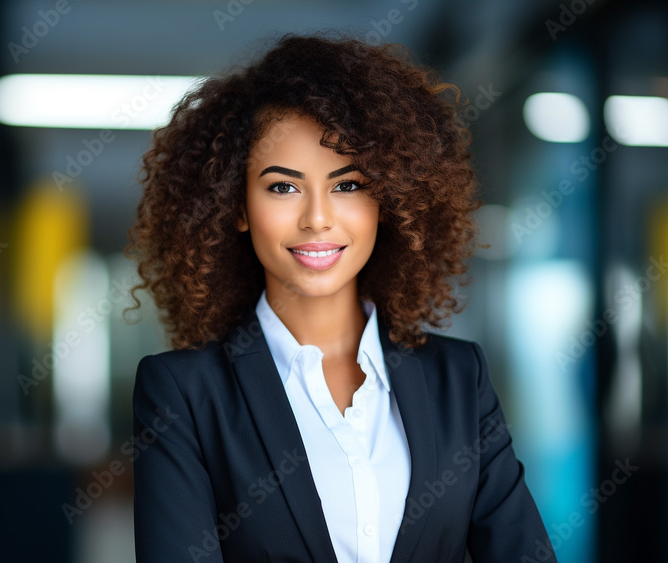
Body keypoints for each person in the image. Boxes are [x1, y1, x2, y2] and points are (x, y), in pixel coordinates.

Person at [123, 31, 555, 563]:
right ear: (237, 207)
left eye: (347, 185)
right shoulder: (185, 393)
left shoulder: (459, 379)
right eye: (283, 187)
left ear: (388, 200)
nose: (318, 218)